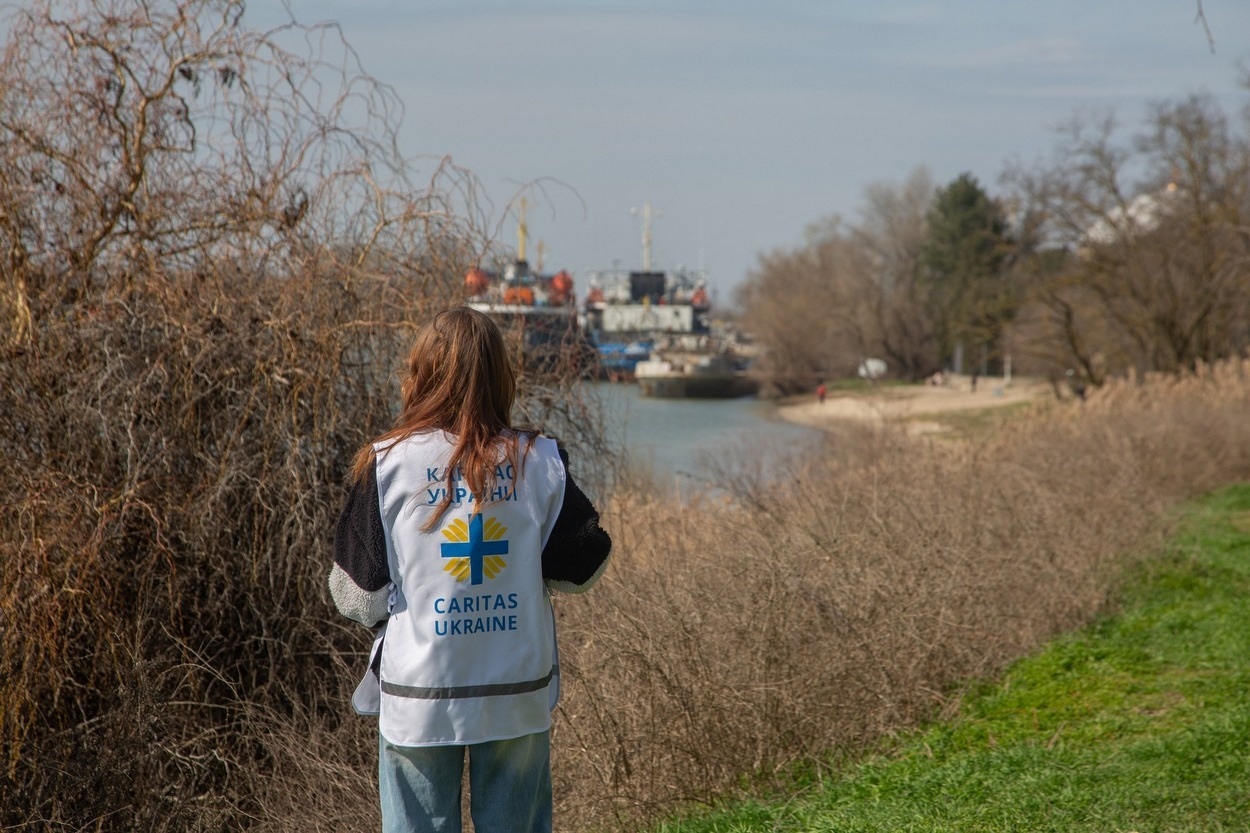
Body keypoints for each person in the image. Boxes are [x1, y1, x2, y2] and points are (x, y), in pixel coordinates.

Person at [329, 305, 612, 833]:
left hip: (420, 695)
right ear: (501, 375)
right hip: (515, 688)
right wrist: (524, 577)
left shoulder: (386, 463)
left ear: (419, 374)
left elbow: (356, 598)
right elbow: (586, 566)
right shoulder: (540, 460)